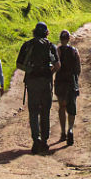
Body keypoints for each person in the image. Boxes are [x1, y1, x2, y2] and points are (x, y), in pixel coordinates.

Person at [13, 21, 57, 153]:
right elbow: (58, 64)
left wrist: (30, 70)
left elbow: (18, 64)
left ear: (34, 32)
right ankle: (44, 140)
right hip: (46, 81)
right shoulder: (50, 46)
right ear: (46, 33)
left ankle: (35, 139)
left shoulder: (28, 45)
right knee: (45, 111)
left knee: (33, 111)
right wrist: (50, 72)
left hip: (32, 82)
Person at [52, 28, 80, 147]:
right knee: (71, 107)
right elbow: (78, 69)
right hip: (71, 82)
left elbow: (55, 66)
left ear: (60, 39)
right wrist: (75, 80)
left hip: (60, 82)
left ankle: (63, 132)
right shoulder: (74, 51)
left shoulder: (58, 51)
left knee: (62, 106)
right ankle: (70, 129)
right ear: (69, 39)